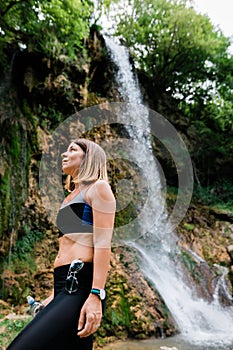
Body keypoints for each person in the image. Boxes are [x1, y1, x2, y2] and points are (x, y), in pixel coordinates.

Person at [7, 138, 116, 350]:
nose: (64, 155)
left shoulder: (98, 188)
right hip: (64, 286)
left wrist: (96, 294)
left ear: (88, 158)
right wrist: (52, 298)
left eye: (72, 150)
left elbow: (103, 245)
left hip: (82, 286)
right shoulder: (68, 199)